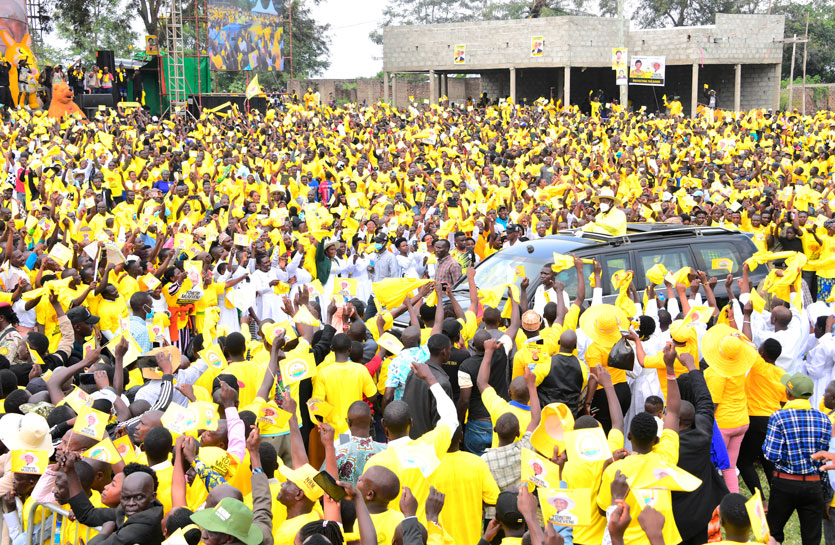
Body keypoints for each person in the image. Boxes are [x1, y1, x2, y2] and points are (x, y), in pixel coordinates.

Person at [763, 371, 831, 545]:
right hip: (813, 484)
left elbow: (771, 454)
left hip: (785, 483)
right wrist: (825, 493)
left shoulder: (778, 417)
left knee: (772, 534)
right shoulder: (824, 419)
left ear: (788, 393)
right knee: (812, 538)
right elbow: (823, 460)